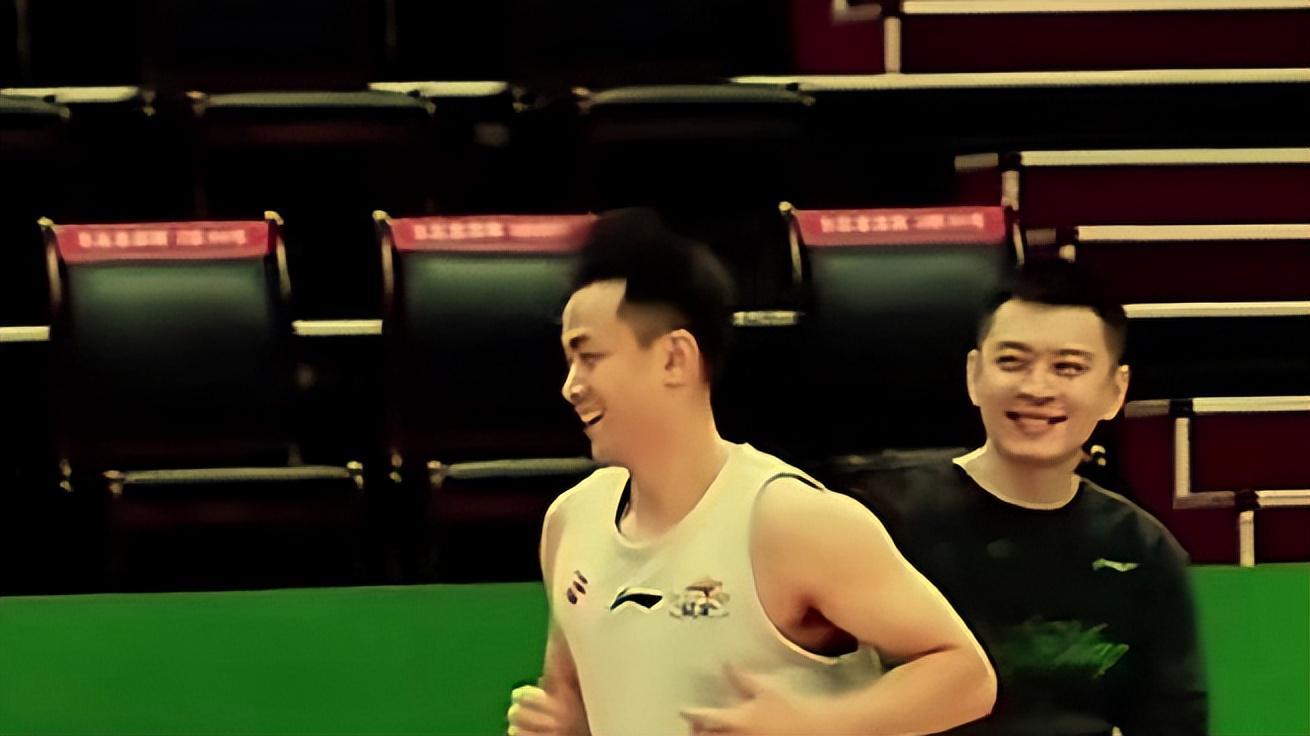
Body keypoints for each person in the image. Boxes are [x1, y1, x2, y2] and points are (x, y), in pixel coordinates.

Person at [507, 208, 996, 735]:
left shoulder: (790, 521)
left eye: (589, 357)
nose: (571, 386)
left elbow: (966, 676)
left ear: (674, 359)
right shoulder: (571, 519)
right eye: (569, 362)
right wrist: (568, 725)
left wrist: (820, 725)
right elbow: (576, 699)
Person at [838, 260, 1208, 735]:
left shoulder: (1142, 549)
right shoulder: (878, 517)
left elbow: (1174, 720)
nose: (1036, 388)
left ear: (1115, 391)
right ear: (974, 374)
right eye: (1012, 362)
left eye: (1068, 367)